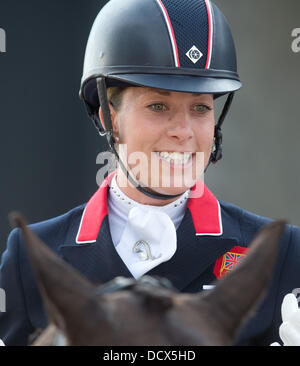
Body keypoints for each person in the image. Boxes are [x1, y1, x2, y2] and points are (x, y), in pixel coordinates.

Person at [0, 0, 300, 346]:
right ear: (108, 118)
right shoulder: (31, 257)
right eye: (159, 106)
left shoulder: (283, 256)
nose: (184, 131)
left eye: (200, 108)